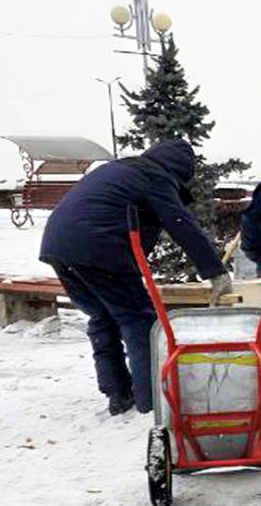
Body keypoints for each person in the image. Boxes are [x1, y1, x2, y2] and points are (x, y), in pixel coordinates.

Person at [41, 139, 231, 416]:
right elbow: (181, 223)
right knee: (138, 318)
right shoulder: (154, 177)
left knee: (102, 317)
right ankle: (151, 399)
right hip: (98, 246)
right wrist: (216, 271)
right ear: (180, 171)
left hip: (57, 246)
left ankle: (118, 394)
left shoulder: (123, 170)